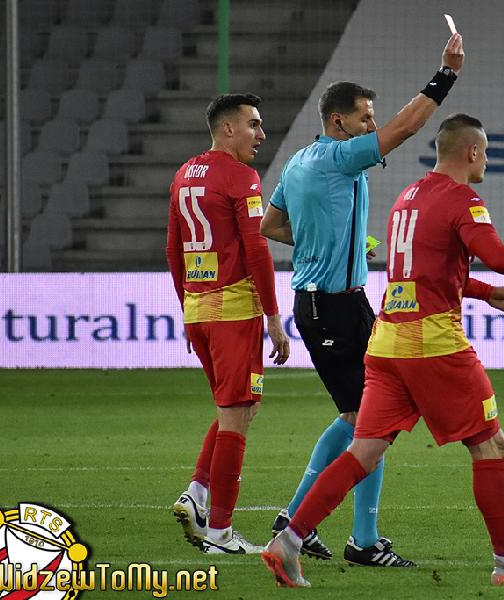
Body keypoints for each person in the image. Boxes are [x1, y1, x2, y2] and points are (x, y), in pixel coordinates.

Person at [260, 113, 504, 588]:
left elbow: (429, 271)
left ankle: (289, 540)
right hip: (434, 344)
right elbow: (497, 255)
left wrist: (485, 292)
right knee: (490, 444)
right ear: (473, 152)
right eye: (485, 153)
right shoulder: (464, 200)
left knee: (364, 450)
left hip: (386, 343)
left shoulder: (409, 198)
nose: (486, 161)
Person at [258, 32, 465, 567]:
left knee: (365, 417)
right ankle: (357, 539)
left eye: (372, 117)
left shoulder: (299, 160)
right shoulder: (338, 158)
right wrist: (446, 74)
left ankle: (302, 522)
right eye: (364, 117)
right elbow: (407, 127)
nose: (372, 125)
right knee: (370, 421)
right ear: (338, 122)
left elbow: (271, 225)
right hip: (330, 307)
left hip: (335, 303)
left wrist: (330, 243)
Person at [166, 93, 291, 554]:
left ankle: (197, 493)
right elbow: (256, 248)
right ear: (227, 128)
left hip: (199, 310)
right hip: (234, 310)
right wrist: (273, 316)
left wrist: (187, 307)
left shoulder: (184, 173)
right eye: (253, 125)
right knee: (237, 415)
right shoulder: (241, 176)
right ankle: (220, 532)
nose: (261, 134)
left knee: (237, 409)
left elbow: (173, 249)